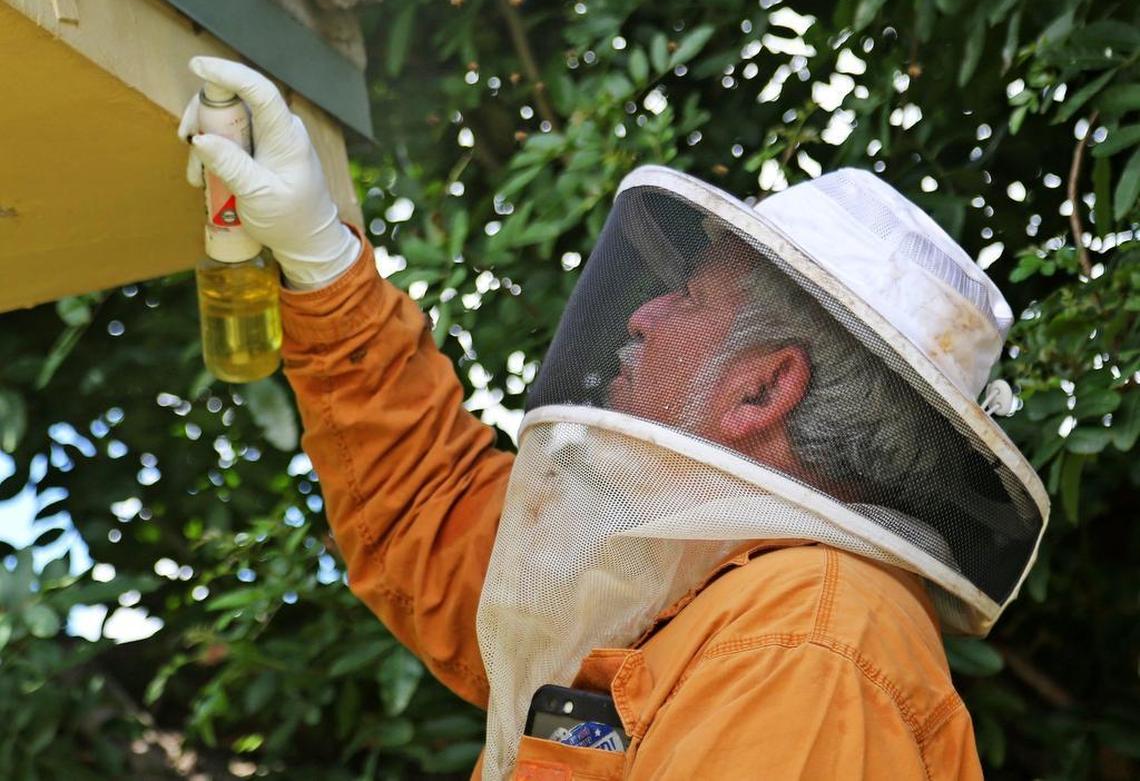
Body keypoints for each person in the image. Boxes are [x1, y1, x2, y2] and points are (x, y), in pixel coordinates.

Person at [181, 57, 1048, 781]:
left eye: (690, 295)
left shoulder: (806, 635)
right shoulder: (684, 579)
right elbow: (435, 518)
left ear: (761, 391)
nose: (643, 313)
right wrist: (317, 257)